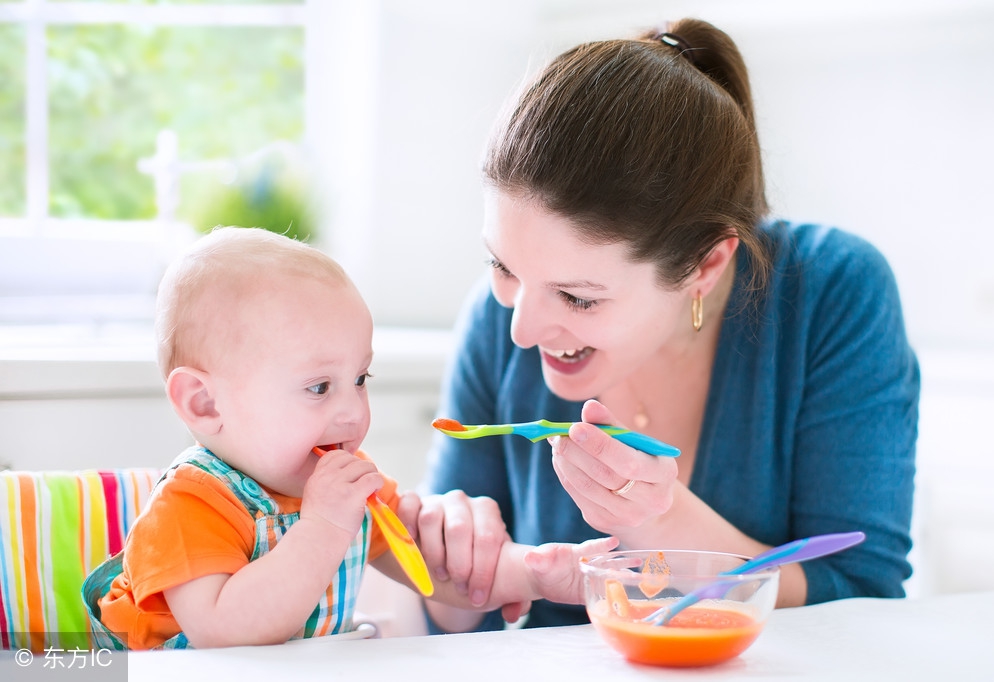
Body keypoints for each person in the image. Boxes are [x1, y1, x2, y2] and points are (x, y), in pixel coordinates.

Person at [417, 17, 920, 633]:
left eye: (577, 298)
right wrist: (451, 566)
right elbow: (447, 619)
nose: (520, 329)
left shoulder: (834, 293)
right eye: (502, 265)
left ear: (707, 265)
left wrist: (660, 524)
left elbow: (861, 593)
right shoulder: (499, 318)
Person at [82, 226, 615, 649]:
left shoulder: (347, 486)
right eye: (319, 387)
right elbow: (225, 632)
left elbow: (438, 568)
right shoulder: (187, 508)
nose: (352, 412)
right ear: (205, 403)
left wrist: (542, 572)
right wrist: (323, 527)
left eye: (360, 380)